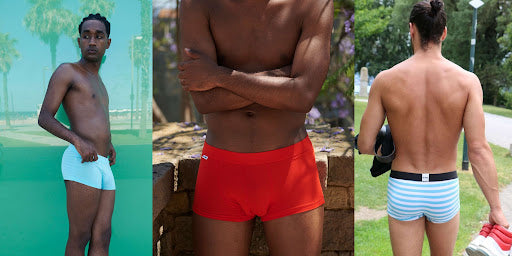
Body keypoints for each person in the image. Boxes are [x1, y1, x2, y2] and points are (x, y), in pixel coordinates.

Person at [177, 0, 333, 255]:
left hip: (290, 168)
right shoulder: (198, 4)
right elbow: (204, 100)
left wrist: (217, 76)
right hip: (222, 169)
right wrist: (286, 80)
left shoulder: (313, 4)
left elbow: (303, 95)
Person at [357, 0, 509, 255]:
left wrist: (390, 143)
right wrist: (496, 207)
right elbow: (479, 149)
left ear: (411, 30)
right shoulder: (468, 82)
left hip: (404, 186)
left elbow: (364, 145)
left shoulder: (385, 80)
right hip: (443, 188)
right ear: (444, 32)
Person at [38, 13, 116, 256]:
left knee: (102, 236)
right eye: (86, 36)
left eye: (98, 36)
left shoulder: (99, 81)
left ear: (107, 43)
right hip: (82, 160)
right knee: (79, 236)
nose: (92, 41)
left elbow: (95, 117)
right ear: (79, 41)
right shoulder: (68, 71)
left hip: (102, 162)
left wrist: (109, 143)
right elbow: (44, 117)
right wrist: (77, 140)